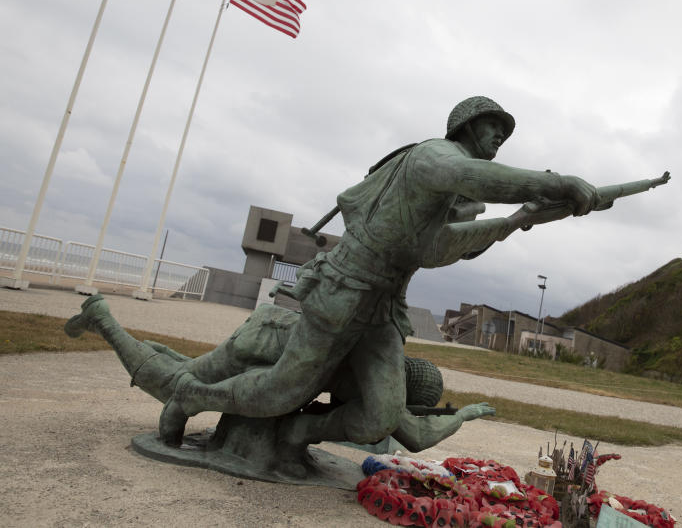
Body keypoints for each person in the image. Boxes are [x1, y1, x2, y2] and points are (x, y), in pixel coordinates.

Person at [153, 96, 602, 447]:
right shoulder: (434, 158)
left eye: (505, 131)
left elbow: (450, 247)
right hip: (344, 291)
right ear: (467, 126)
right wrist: (557, 183)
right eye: (493, 126)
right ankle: (193, 396)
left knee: (381, 417)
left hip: (384, 309)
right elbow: (485, 182)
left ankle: (300, 436)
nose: (500, 135)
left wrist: (521, 216)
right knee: (280, 392)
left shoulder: (453, 189)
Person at [64, 293, 495, 452]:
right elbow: (417, 438)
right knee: (174, 384)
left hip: (271, 329)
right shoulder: (379, 386)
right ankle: (102, 318)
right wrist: (465, 414)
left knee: (187, 371)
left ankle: (121, 330)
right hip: (269, 347)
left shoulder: (379, 359)